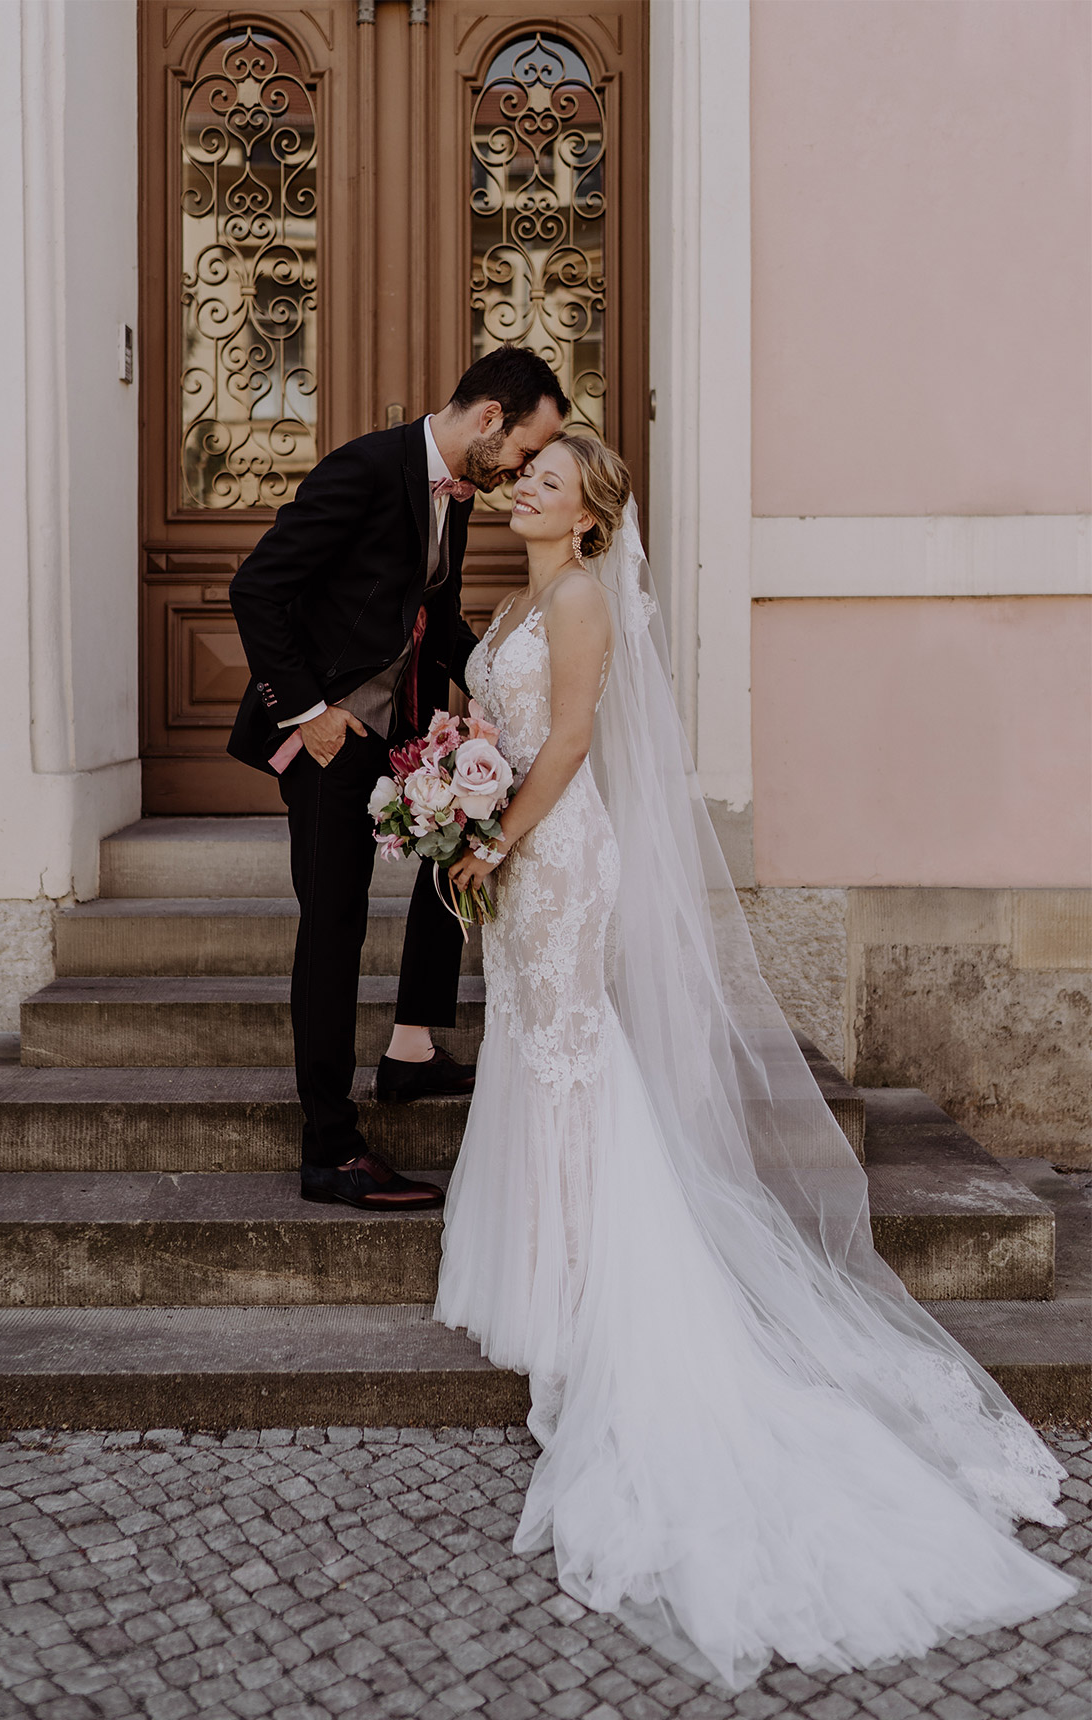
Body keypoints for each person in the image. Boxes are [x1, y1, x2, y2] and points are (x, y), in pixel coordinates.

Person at [437, 433, 1078, 1690]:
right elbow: (505, 723)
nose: (522, 488)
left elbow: (566, 747)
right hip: (519, 859)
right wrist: (456, 772)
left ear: (589, 520)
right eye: (522, 476)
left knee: (573, 1064)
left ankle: (586, 1291)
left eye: (547, 482)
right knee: (537, 1059)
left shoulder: (575, 602)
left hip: (558, 860)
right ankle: (551, 1268)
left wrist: (496, 838)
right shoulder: (514, 593)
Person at [228, 346, 569, 1211]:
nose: (527, 472)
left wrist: (510, 678)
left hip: (402, 732)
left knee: (457, 858)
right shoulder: (366, 469)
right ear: (491, 419)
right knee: (334, 925)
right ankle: (329, 1149)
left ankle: (412, 1051)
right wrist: (309, 716)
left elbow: (434, 618)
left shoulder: (453, 494)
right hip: (330, 740)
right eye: (529, 452)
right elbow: (257, 587)